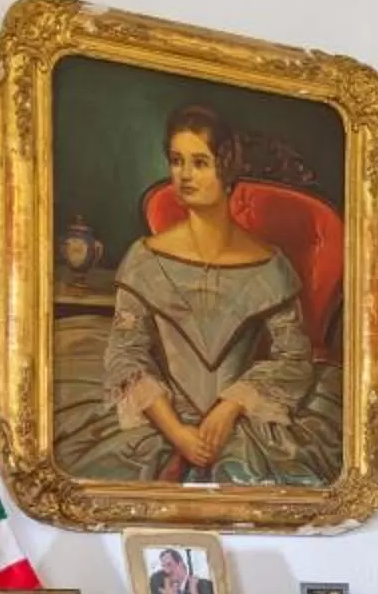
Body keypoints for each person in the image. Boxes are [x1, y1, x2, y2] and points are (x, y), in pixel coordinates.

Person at [84, 106, 341, 486]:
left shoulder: (270, 264)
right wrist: (178, 434)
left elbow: (293, 356)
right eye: (176, 161)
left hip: (245, 424)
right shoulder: (145, 257)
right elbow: (127, 354)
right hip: (160, 421)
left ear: (227, 169)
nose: (184, 175)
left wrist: (231, 406)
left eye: (199, 163)